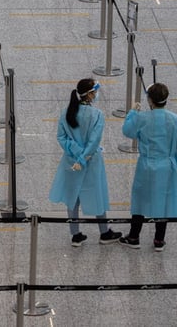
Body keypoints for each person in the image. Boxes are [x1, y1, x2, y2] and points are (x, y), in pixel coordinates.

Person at [49, 78, 122, 247]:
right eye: (94, 92)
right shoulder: (97, 115)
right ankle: (104, 232)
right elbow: (94, 141)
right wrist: (84, 157)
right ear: (89, 95)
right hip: (91, 162)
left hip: (70, 161)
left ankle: (75, 235)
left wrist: (76, 153)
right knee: (97, 194)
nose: (96, 95)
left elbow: (61, 137)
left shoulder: (66, 112)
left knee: (72, 197)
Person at [120, 83, 177, 251]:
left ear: (150, 100)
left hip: (146, 165)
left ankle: (134, 236)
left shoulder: (142, 118)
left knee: (140, 199)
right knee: (163, 201)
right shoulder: (175, 119)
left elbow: (127, 131)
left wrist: (132, 112)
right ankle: (159, 239)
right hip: (167, 166)